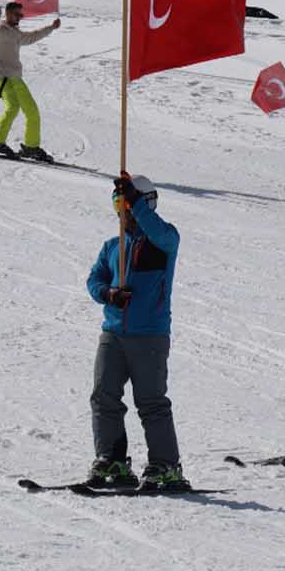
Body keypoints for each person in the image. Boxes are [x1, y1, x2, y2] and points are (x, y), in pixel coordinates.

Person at [83, 174, 188, 491]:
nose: (122, 210)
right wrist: (108, 294)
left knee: (151, 401)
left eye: (126, 203)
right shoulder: (112, 246)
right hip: (113, 332)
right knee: (104, 396)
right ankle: (111, 458)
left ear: (144, 203)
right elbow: (93, 280)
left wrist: (138, 204)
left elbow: (162, 234)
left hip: (149, 335)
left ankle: (166, 465)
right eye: (118, 203)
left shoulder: (162, 241)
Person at [0, 1, 61, 162]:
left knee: (25, 110)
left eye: (21, 15)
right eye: (17, 14)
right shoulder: (0, 31)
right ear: (8, 14)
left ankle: (24, 146)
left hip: (15, 77)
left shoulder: (16, 33)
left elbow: (32, 37)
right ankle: (2, 143)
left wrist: (51, 28)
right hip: (2, 76)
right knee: (20, 109)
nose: (20, 18)